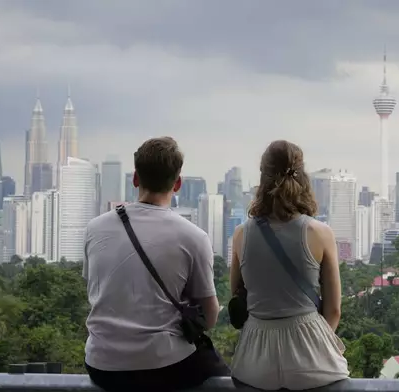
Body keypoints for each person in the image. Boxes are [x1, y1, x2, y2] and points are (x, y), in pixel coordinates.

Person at [83, 137, 229, 391]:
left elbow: (96, 290)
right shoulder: (193, 237)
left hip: (101, 364)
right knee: (226, 382)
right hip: (164, 365)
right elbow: (210, 316)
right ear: (178, 183)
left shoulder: (95, 229)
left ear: (135, 179)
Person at [230, 140, 350, 390]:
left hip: (255, 361)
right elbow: (334, 309)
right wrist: (312, 342)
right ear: (302, 176)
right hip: (313, 360)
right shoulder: (319, 233)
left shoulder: (241, 235)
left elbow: (238, 298)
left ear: (262, 179)